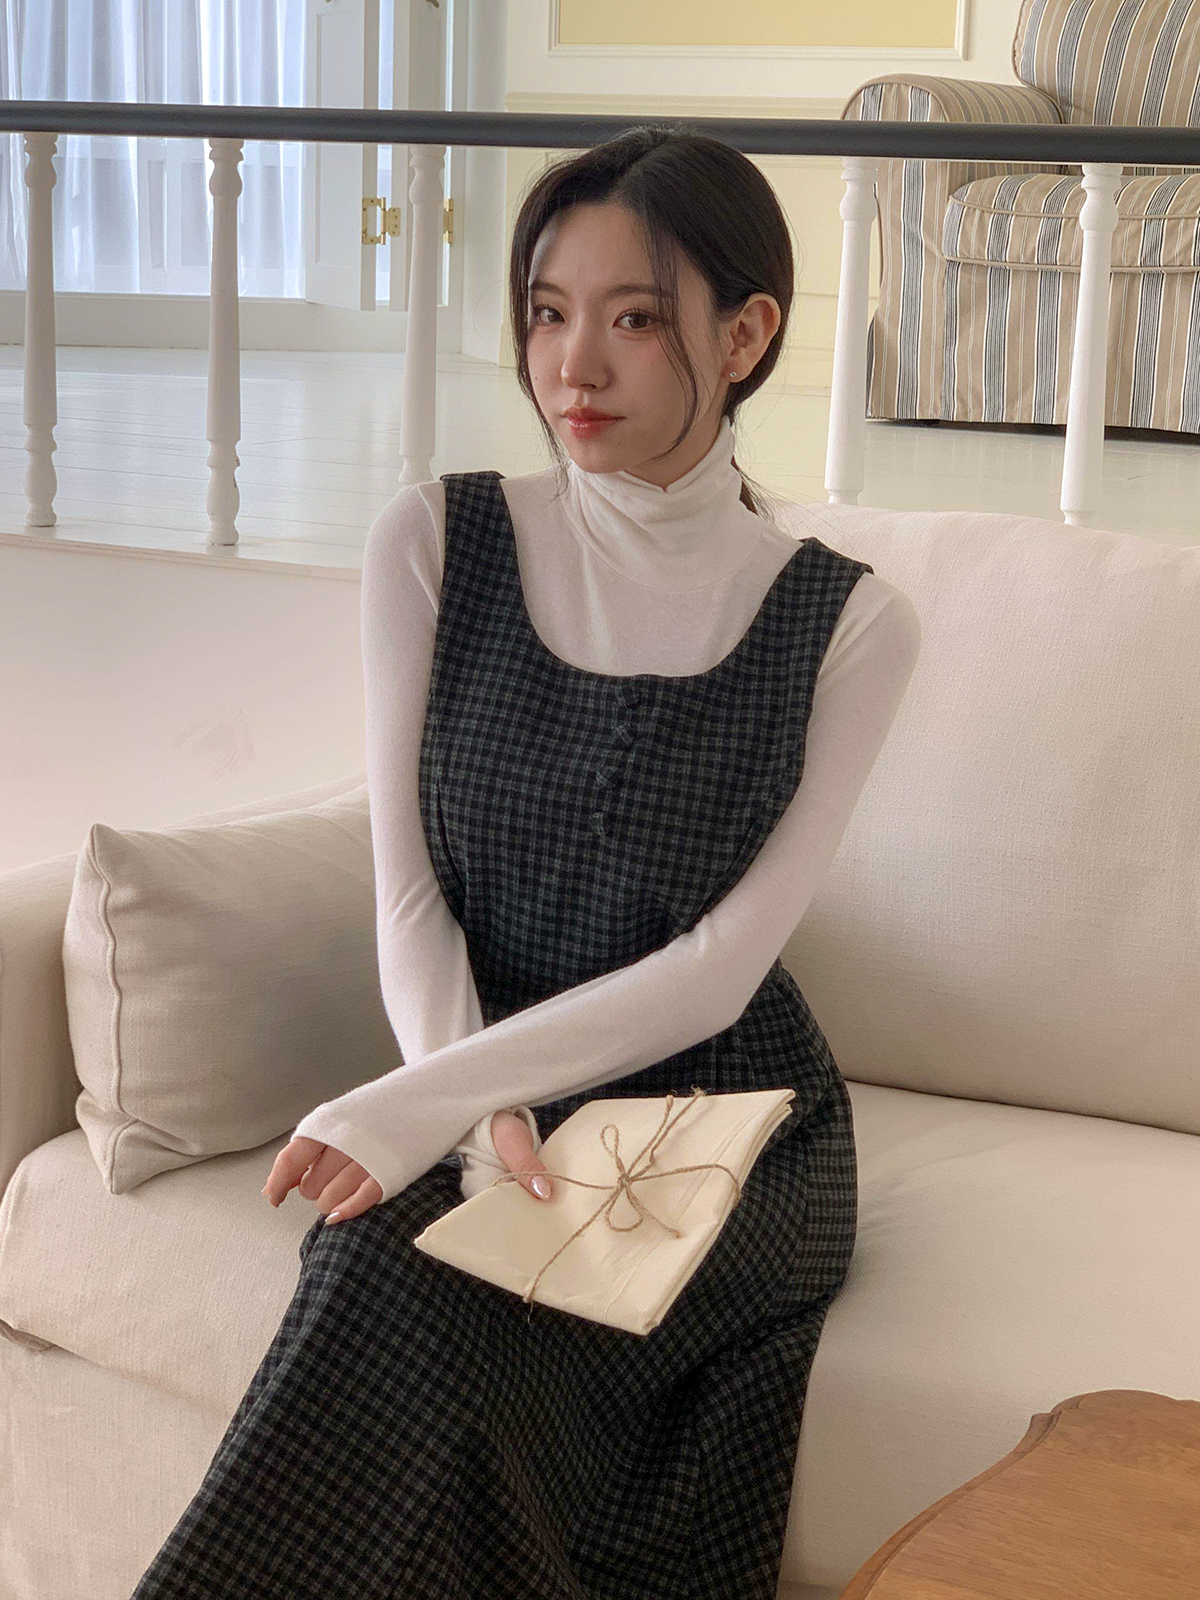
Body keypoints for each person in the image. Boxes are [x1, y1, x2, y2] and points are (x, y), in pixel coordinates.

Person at [130, 122, 920, 1600]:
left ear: (745, 335)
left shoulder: (850, 623)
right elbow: (410, 886)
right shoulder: (436, 539)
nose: (575, 366)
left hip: (730, 1121)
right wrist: (465, 1105)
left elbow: (717, 972)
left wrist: (409, 1105)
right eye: (548, 314)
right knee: (380, 1265)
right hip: (488, 1068)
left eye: (636, 319)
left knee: (438, 1310)